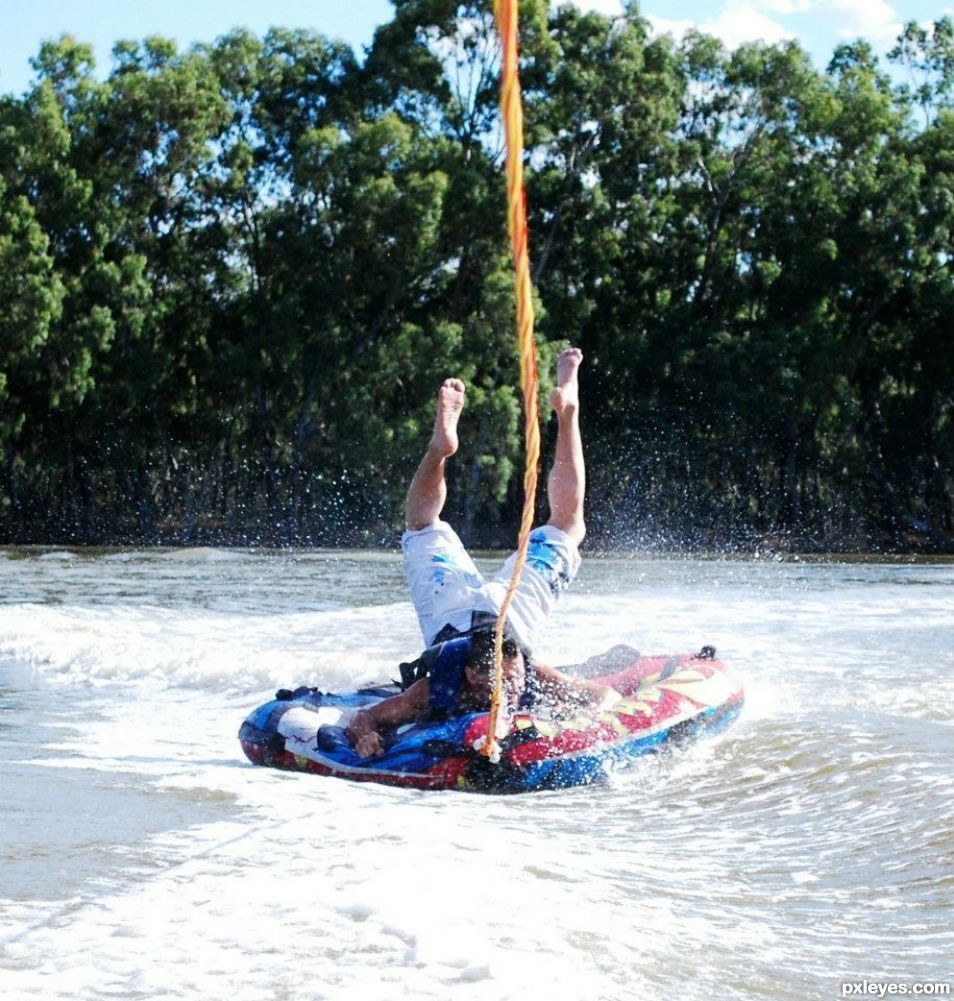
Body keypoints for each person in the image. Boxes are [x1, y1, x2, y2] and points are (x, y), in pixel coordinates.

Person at [346, 348, 620, 758]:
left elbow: (603, 697)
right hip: (483, 613)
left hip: (482, 613)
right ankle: (564, 415)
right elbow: (365, 717)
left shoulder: (526, 671)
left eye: (513, 677)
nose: (512, 686)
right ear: (471, 675)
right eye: (504, 681)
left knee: (423, 526)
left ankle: (456, 445)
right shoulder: (436, 686)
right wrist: (364, 736)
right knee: (567, 525)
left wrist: (575, 721)